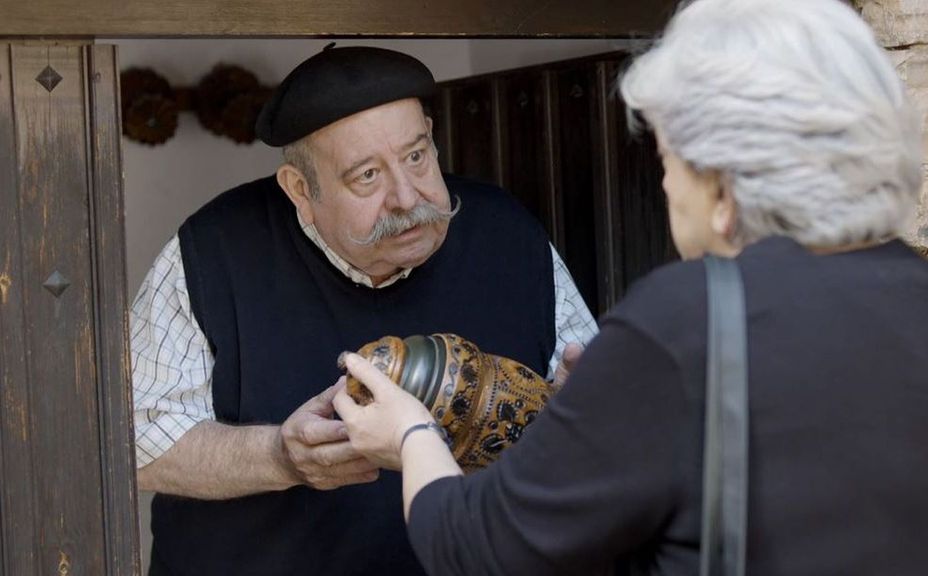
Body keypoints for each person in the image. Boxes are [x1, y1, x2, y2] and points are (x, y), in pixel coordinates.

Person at [333, 1, 928, 574]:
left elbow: (476, 548)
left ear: (721, 186)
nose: (666, 187)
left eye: (670, 161)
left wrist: (412, 434)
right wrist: (610, 405)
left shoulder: (694, 322)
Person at [129, 45, 597, 576]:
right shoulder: (212, 251)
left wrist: (575, 410)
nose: (406, 196)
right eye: (367, 177)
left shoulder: (508, 234)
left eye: (416, 156)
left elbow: (598, 411)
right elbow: (131, 441)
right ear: (301, 190)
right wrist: (278, 458)